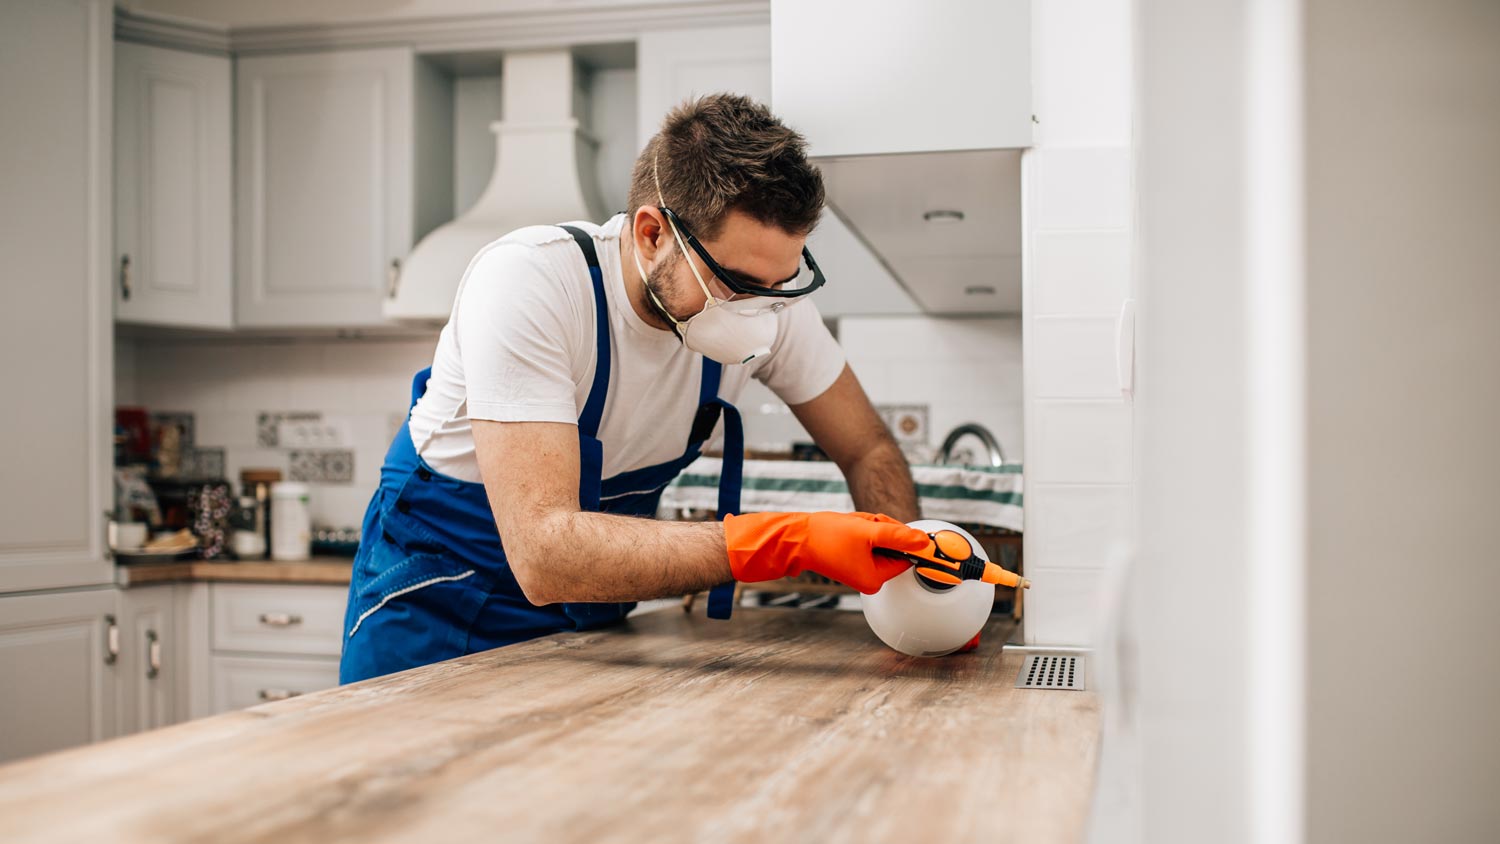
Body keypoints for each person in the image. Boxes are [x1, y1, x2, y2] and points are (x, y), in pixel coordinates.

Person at [339, 93, 928, 684]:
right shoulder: (532, 282)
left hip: (592, 633)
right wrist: (782, 543)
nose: (761, 313)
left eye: (780, 285)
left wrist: (914, 591)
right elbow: (545, 553)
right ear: (652, 235)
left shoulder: (766, 302)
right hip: (436, 612)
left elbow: (867, 448)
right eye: (736, 284)